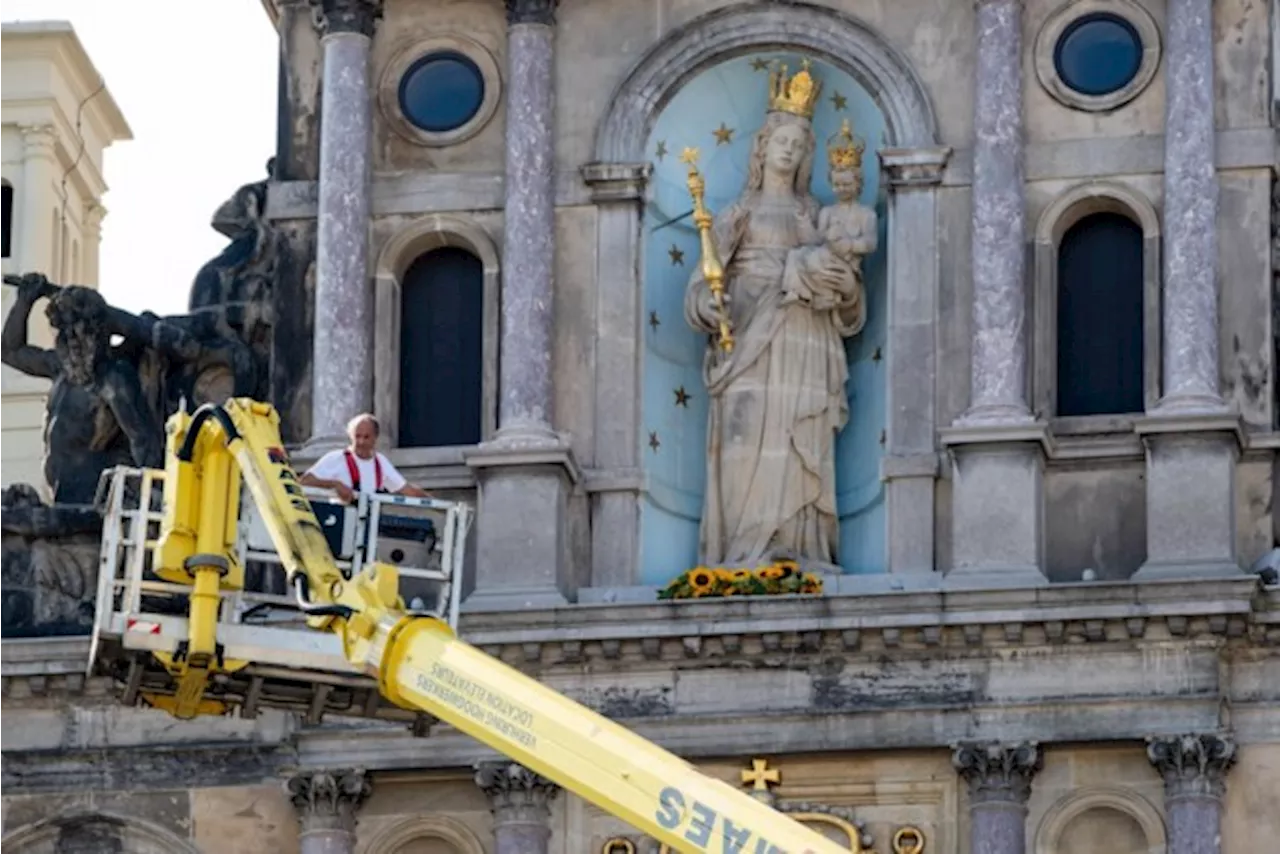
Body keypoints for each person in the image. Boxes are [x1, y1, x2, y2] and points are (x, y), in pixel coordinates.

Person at [299, 413, 430, 503]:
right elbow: (304, 482)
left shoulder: (380, 463)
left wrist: (441, 506)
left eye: (366, 437)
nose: (361, 442)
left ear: (375, 438)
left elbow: (407, 490)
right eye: (357, 436)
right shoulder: (336, 458)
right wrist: (335, 485)